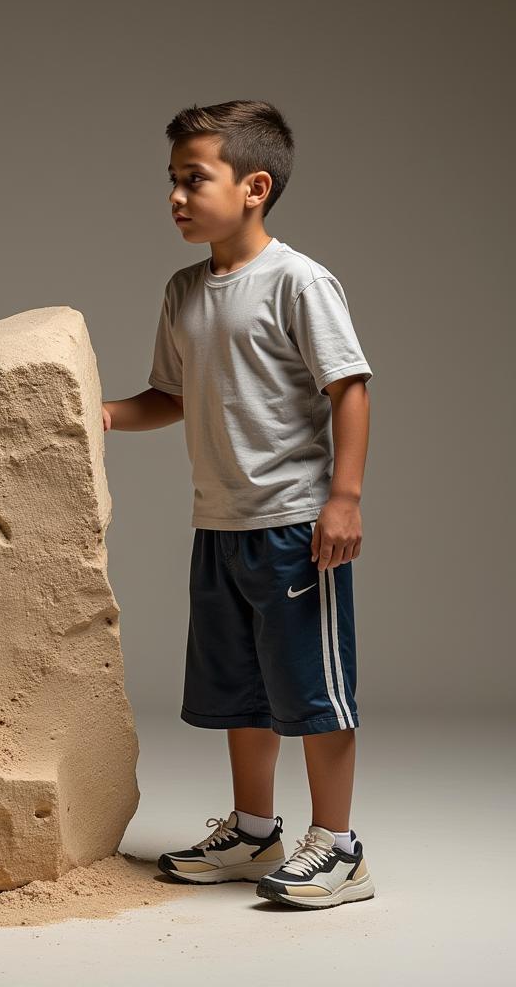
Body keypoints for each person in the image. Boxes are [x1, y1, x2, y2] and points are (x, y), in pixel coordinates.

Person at [102, 100, 376, 909]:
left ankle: (340, 846)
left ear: (254, 186)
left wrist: (345, 498)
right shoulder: (184, 289)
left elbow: (348, 388)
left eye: (195, 179)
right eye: (172, 182)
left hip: (294, 522)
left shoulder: (298, 280)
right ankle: (256, 832)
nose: (177, 197)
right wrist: (109, 414)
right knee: (242, 688)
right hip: (218, 525)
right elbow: (169, 396)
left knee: (313, 690)